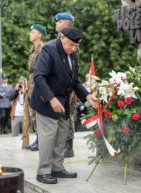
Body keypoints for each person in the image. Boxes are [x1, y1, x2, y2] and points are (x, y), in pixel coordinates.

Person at [30, 27, 98, 184]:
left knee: (61, 135)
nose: (73, 49)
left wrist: (87, 95)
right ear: (62, 37)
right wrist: (51, 99)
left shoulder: (72, 54)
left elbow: (74, 80)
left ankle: (57, 168)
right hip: (46, 100)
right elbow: (39, 76)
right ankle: (43, 172)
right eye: (71, 45)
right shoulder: (48, 49)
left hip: (63, 102)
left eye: (76, 46)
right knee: (48, 137)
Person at [55, 12, 77, 158]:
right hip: (59, 86)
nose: (56, 24)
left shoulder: (71, 39)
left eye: (59, 22)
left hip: (68, 87)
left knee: (67, 116)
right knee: (61, 116)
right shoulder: (58, 39)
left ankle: (69, 147)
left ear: (67, 24)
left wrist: (71, 89)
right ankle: (62, 145)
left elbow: (72, 67)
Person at [25, 24, 47, 151]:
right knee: (34, 114)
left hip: (39, 86)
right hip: (33, 86)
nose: (30, 34)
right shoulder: (33, 50)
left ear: (40, 35)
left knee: (39, 114)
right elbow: (31, 72)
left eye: (33, 32)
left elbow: (41, 71)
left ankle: (41, 141)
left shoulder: (43, 49)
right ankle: (38, 139)